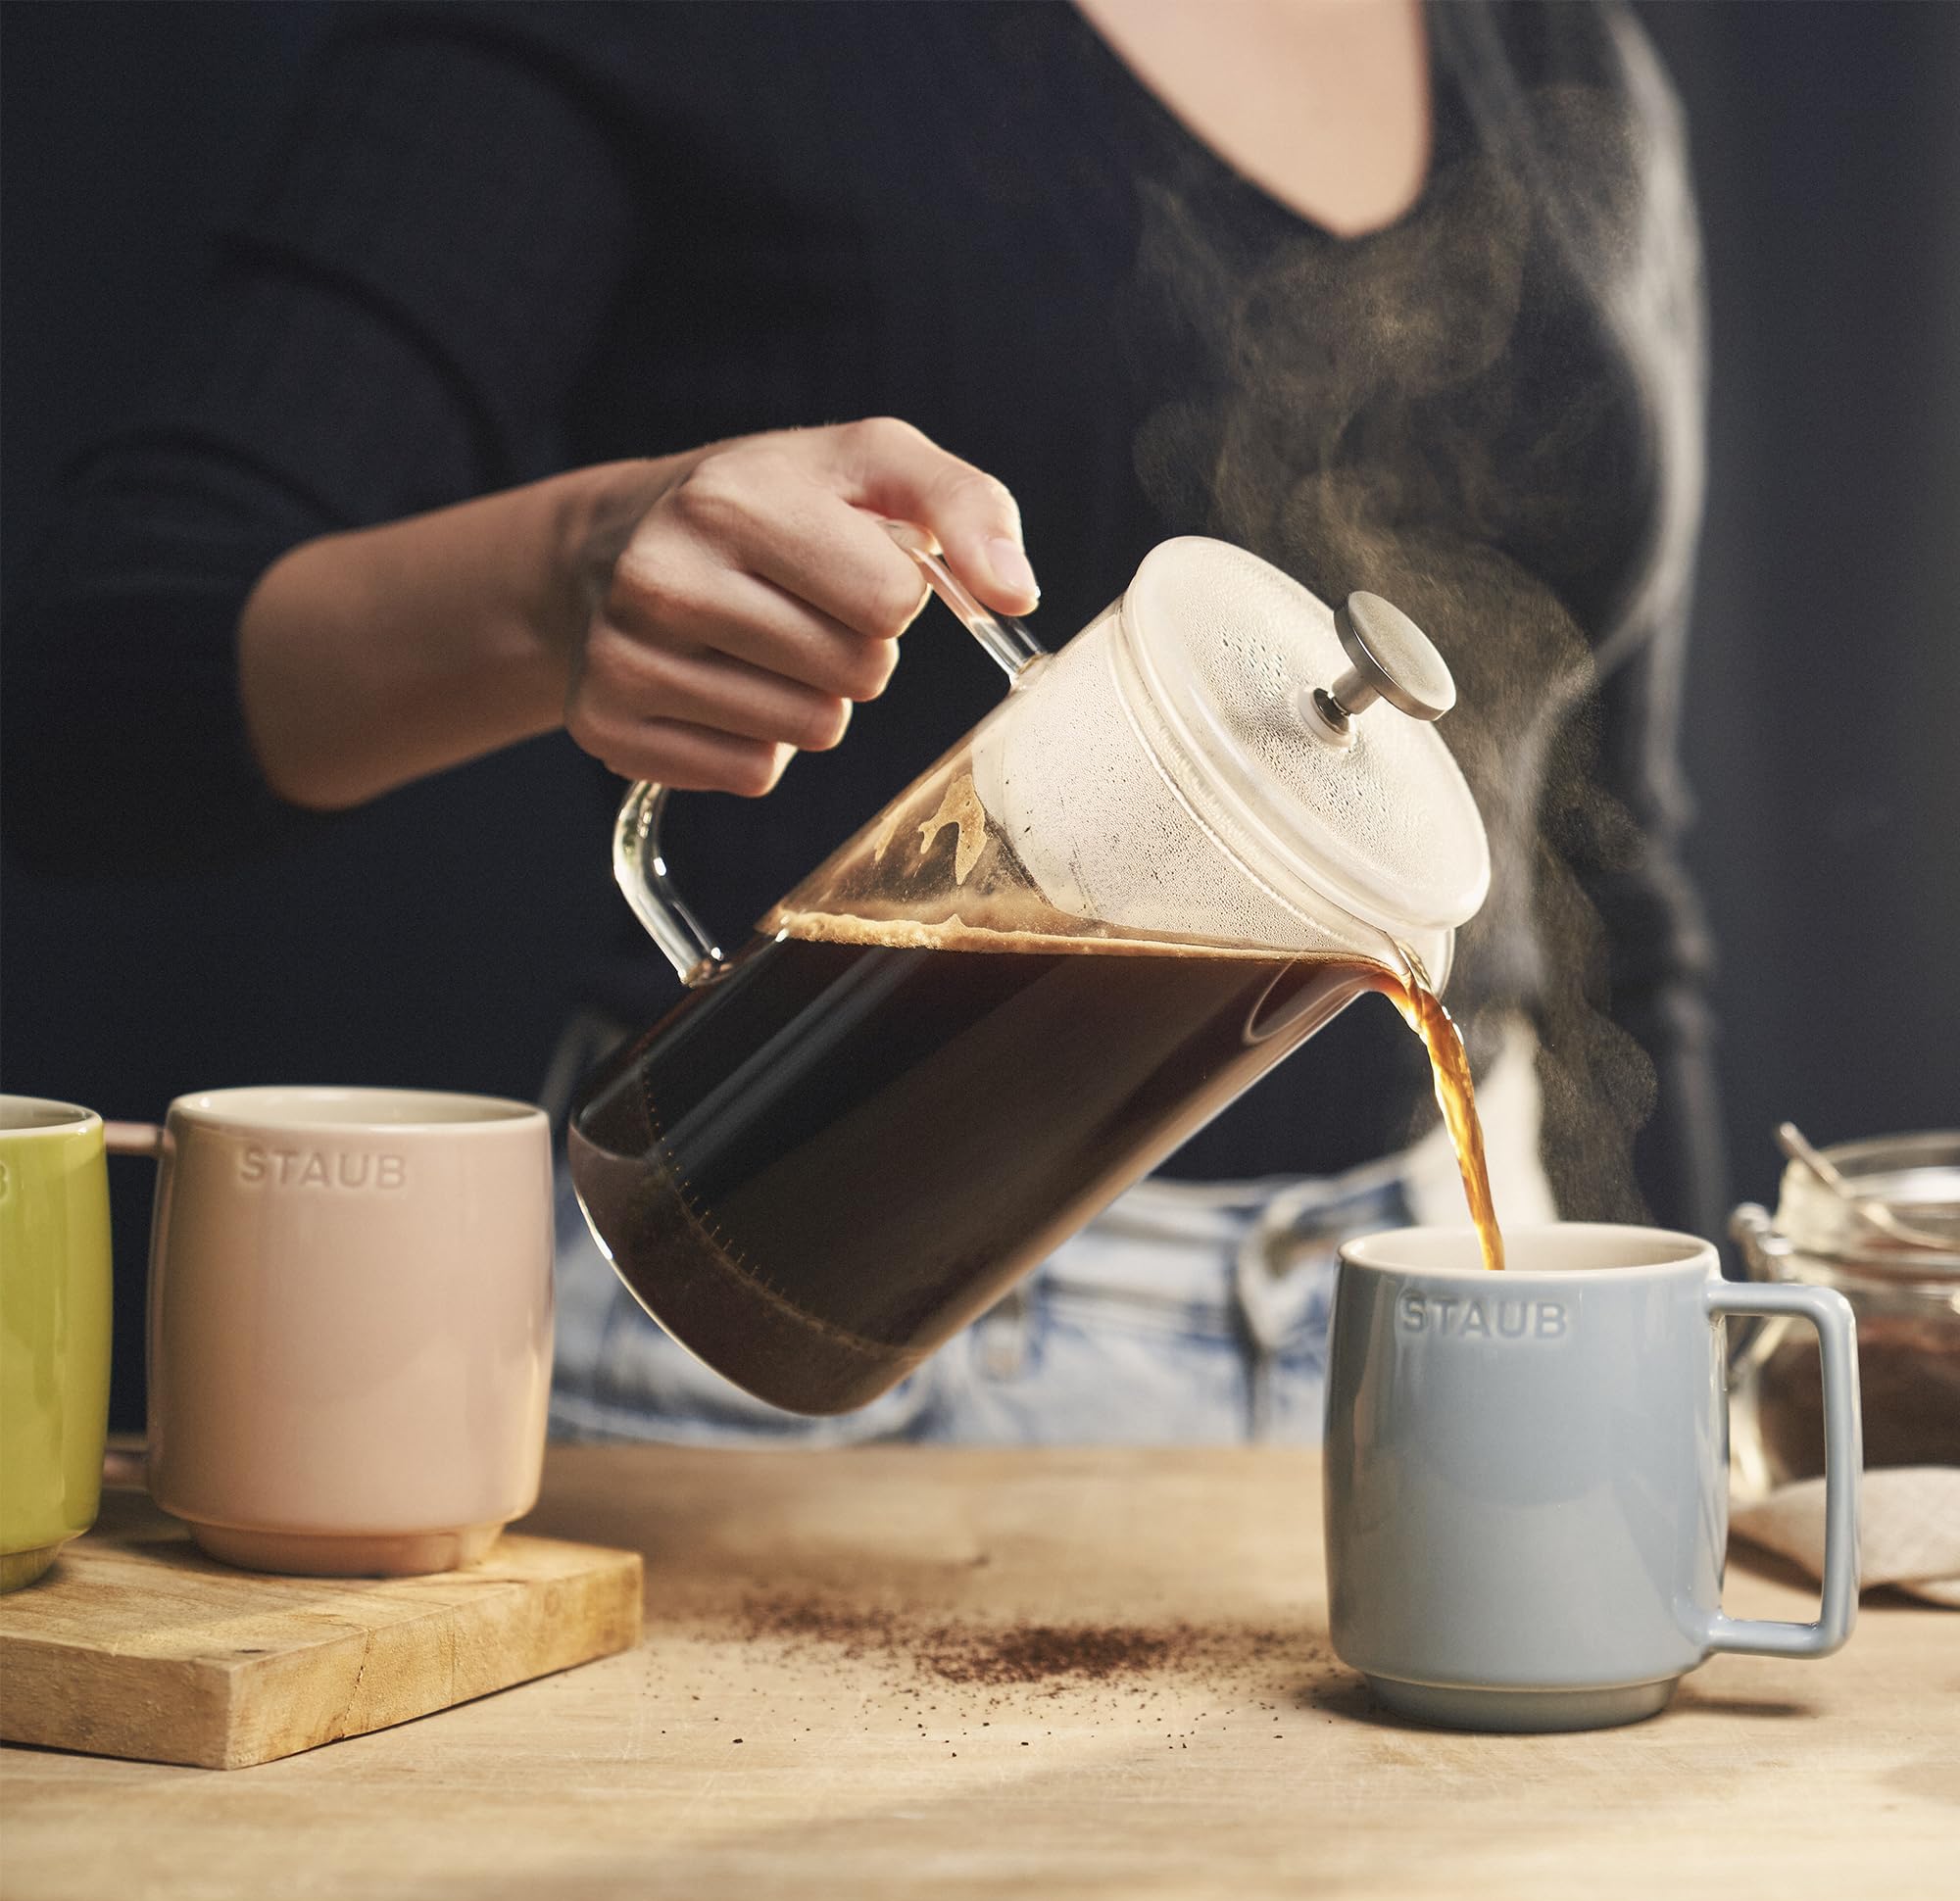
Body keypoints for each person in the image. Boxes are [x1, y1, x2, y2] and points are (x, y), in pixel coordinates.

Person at [4, 0, 1720, 1444]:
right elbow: (88, 700)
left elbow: (1607, 870)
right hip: (799, 1320)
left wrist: (1716, 1392)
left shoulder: (1560, 46)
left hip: (1435, 1323)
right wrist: (559, 577)